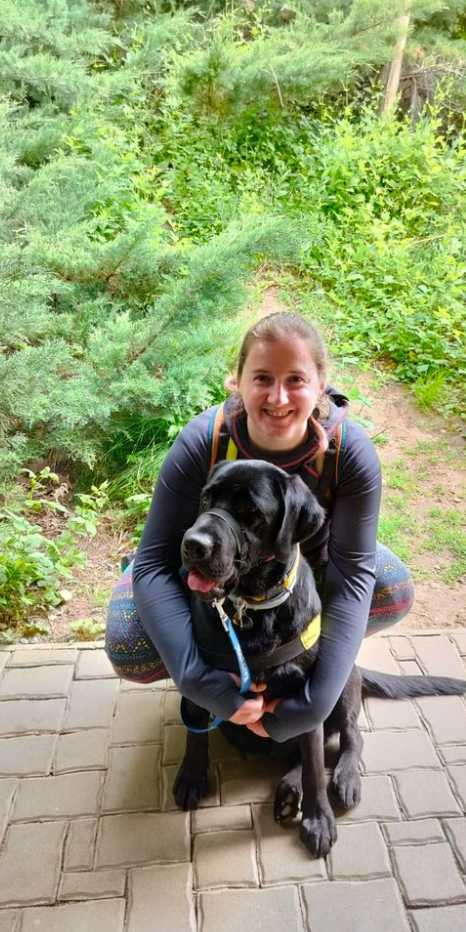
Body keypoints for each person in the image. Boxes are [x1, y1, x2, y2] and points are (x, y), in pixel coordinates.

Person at [105, 312, 414, 742]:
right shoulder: (204, 441)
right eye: (262, 378)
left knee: (390, 585)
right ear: (237, 382)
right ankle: (221, 659)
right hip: (205, 564)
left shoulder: (348, 451)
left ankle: (299, 661)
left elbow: (353, 575)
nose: (278, 396)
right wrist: (198, 680)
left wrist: (315, 703)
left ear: (321, 385)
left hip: (310, 565)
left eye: (296, 380)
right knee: (129, 644)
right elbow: (153, 564)